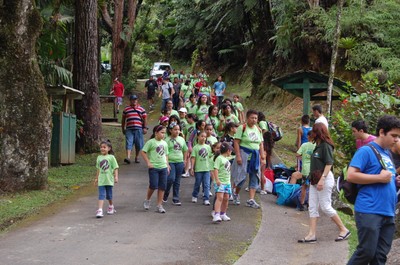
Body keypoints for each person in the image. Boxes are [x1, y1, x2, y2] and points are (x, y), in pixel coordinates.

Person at [347, 115, 400, 264]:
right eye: (394, 135)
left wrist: (395, 181)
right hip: (370, 209)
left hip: (388, 212)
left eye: (398, 136)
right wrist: (379, 178)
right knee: (366, 252)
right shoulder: (366, 151)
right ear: (382, 132)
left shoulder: (387, 154)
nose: (396, 140)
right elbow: (351, 175)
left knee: (380, 256)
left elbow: (386, 178)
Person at [298, 123, 349, 244]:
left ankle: (343, 229)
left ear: (318, 133)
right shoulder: (317, 145)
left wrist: (322, 179)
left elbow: (329, 163)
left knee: (325, 206)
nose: (311, 134)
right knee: (312, 206)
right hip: (314, 179)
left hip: (324, 178)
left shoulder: (326, 146)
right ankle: (312, 234)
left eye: (313, 132)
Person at [231, 110, 266, 209]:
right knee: (241, 176)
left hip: (255, 156)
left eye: (255, 118)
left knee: (255, 176)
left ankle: (251, 199)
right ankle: (236, 193)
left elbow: (261, 143)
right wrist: (238, 155)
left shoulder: (258, 129)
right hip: (244, 154)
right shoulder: (242, 128)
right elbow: (236, 142)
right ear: (247, 118)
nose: (254, 120)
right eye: (252, 118)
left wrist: (262, 155)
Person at [141, 125, 170, 213]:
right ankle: (147, 199)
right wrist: (148, 162)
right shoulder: (151, 142)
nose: (163, 135)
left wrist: (167, 165)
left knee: (162, 186)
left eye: (164, 133)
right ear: (156, 133)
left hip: (163, 167)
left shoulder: (164, 143)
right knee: (153, 185)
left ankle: (159, 205)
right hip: (154, 167)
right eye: (161, 132)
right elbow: (143, 152)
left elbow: (166, 154)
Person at [163, 122, 188, 206]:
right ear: (170, 130)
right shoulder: (166, 140)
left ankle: (175, 198)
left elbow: (185, 150)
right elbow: (164, 153)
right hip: (170, 162)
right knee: (171, 179)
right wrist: (166, 163)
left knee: (177, 181)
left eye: (178, 129)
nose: (177, 131)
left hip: (179, 162)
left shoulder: (181, 139)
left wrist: (185, 160)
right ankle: (165, 193)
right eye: (175, 129)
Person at [289, 131, 314, 211]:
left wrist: (303, 158)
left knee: (304, 187)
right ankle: (310, 204)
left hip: (305, 169)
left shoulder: (304, 145)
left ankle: (302, 204)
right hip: (313, 169)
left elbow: (297, 154)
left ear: (308, 137)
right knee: (312, 187)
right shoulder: (316, 146)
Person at [95, 140, 119, 218]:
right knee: (101, 195)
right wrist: (96, 178)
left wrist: (116, 176)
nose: (102, 149)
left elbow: (115, 168)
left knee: (109, 195)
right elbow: (98, 169)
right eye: (101, 147)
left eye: (104, 147)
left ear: (109, 148)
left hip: (109, 180)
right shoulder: (99, 157)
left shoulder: (111, 157)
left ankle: (111, 206)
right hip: (101, 180)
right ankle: (100, 210)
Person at [122, 94, 148, 164]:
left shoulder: (141, 109)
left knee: (138, 144)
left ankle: (137, 157)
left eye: (135, 99)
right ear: (130, 101)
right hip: (129, 129)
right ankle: (128, 157)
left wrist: (145, 127)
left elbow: (145, 118)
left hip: (138, 129)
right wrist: (123, 128)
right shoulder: (126, 109)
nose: (134, 101)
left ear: (137, 100)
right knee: (129, 142)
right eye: (133, 100)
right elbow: (123, 119)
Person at [212, 142, 233, 223]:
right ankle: (216, 214)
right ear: (228, 150)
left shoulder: (226, 159)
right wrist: (217, 180)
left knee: (226, 198)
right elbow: (216, 169)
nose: (231, 152)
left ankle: (223, 213)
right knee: (220, 198)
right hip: (220, 182)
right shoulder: (219, 158)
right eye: (230, 150)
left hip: (227, 182)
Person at [190, 131, 212, 205]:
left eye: (205, 137)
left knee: (206, 184)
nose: (203, 138)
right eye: (202, 136)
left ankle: (206, 198)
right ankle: (194, 195)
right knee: (197, 183)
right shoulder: (195, 147)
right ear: (198, 137)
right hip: (198, 169)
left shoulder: (208, 147)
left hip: (207, 169)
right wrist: (192, 168)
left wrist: (211, 168)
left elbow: (210, 157)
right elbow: (193, 158)